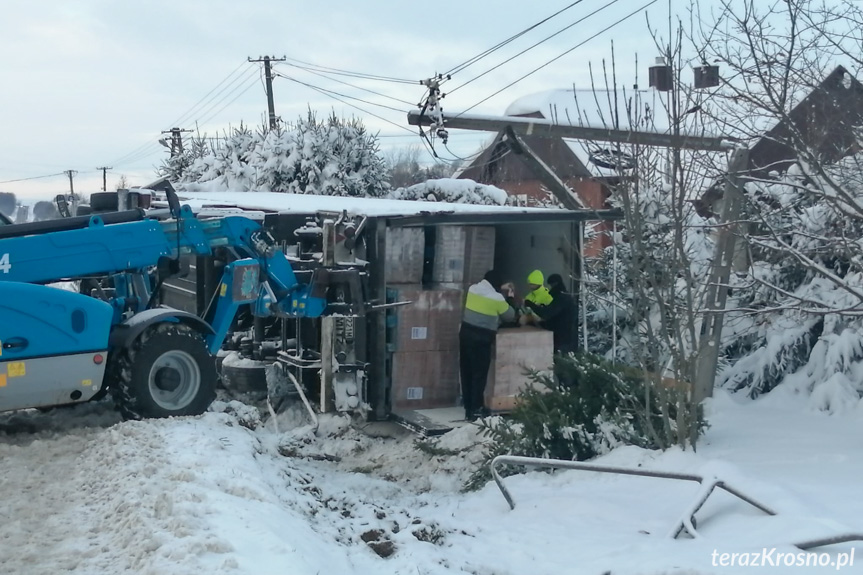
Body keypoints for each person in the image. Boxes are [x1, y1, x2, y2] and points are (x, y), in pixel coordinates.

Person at [459, 270, 516, 421]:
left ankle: (468, 408)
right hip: (481, 339)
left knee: (467, 372)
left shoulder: (472, 289)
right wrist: (509, 297)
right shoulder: (496, 298)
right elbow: (510, 316)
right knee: (479, 374)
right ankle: (476, 409)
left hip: (465, 335)